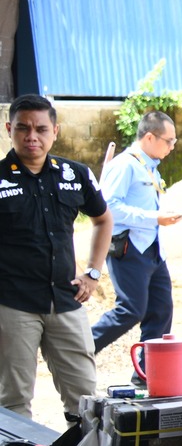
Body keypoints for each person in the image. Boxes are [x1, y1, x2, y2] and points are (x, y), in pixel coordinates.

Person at [0, 96, 112, 421]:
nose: (31, 136)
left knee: (86, 400)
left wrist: (93, 273)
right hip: (13, 304)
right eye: (22, 128)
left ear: (55, 131)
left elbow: (103, 220)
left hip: (66, 299)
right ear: (9, 129)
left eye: (40, 128)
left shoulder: (75, 173)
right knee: (14, 400)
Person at [90, 111, 182, 372]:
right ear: (149, 137)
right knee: (131, 310)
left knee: (161, 311)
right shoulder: (124, 165)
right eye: (169, 141)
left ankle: (148, 372)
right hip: (130, 248)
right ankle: (81, 349)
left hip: (154, 250)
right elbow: (109, 208)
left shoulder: (150, 167)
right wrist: (154, 218)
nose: (172, 147)